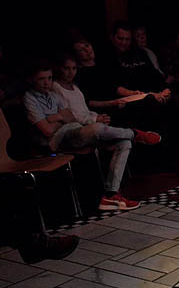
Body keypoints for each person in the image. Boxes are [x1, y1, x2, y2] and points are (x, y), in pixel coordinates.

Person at [22, 60, 161, 211]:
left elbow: (70, 117)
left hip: (73, 131)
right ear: (32, 80)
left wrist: (54, 118)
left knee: (124, 143)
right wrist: (61, 118)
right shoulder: (29, 98)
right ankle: (134, 133)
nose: (46, 83)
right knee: (97, 128)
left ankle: (111, 195)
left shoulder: (53, 95)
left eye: (49, 78)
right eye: (41, 79)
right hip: (56, 141)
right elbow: (47, 131)